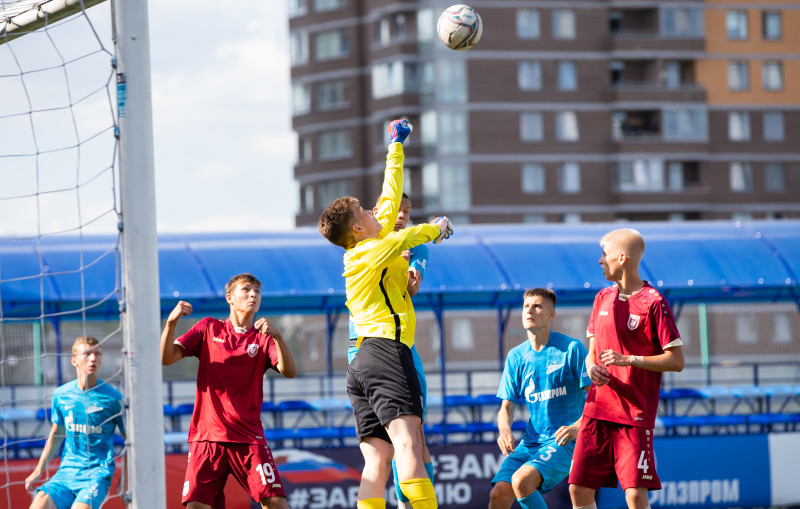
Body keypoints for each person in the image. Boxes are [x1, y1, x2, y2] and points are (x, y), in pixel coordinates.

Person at [318, 119, 452, 509]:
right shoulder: (366, 251)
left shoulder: (363, 244)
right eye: (366, 210)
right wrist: (435, 230)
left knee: (377, 460)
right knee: (409, 439)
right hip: (386, 352)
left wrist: (396, 146)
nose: (378, 209)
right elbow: (404, 236)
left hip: (362, 361)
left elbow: (390, 197)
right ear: (359, 228)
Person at [568, 228, 685, 509]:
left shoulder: (653, 302)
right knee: (579, 489)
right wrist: (591, 368)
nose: (599, 261)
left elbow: (676, 360)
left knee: (634, 494)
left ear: (621, 258)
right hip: (596, 410)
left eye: (604, 254)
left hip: (633, 414)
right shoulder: (601, 298)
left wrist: (630, 359)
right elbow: (592, 354)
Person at [160, 272, 298, 509]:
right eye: (246, 289)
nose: (253, 294)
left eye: (257, 291)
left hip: (248, 439)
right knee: (197, 506)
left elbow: (290, 372)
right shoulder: (208, 328)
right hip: (207, 438)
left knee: (275, 502)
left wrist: (277, 337)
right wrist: (171, 323)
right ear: (229, 298)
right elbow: (167, 358)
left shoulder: (263, 338)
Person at [345, 192, 432, 509]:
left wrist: (410, 271)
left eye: (407, 211)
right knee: (407, 439)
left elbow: (412, 286)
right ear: (377, 212)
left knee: (389, 450)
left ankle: (406, 501)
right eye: (395, 209)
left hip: (374, 354)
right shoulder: (367, 242)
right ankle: (416, 502)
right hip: (382, 348)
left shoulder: (414, 247)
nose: (402, 216)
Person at [489, 289, 591, 509]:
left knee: (522, 481)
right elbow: (506, 407)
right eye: (526, 306)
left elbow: (598, 398)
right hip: (531, 442)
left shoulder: (572, 349)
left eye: (537, 306)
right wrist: (504, 430)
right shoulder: (516, 356)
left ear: (551, 315)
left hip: (566, 440)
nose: (530, 311)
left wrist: (577, 427)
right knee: (499, 494)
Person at [25, 336, 126, 509]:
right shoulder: (61, 395)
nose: (93, 358)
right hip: (66, 474)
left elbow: (132, 442)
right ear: (74, 361)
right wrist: (38, 470)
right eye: (87, 354)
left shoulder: (114, 399)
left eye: (98, 354)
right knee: (38, 504)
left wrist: (126, 479)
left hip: (97, 474)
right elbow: (57, 434)